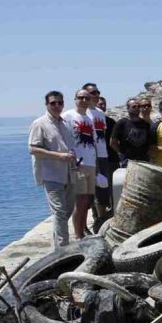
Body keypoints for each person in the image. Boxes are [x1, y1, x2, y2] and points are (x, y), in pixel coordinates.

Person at [29, 91, 77, 249]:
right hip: (51, 174)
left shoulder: (65, 124)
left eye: (60, 103)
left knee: (67, 210)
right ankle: (62, 249)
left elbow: (70, 147)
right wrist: (58, 156)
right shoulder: (39, 124)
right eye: (53, 103)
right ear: (47, 105)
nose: (57, 106)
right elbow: (33, 149)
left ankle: (56, 245)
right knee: (59, 212)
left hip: (69, 173)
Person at [62, 89, 98, 239]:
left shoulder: (89, 117)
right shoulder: (68, 116)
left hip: (91, 163)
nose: (84, 100)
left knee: (87, 200)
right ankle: (78, 235)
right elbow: (63, 139)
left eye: (87, 98)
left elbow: (94, 142)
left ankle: (83, 231)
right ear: (75, 99)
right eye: (81, 98)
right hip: (79, 164)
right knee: (80, 200)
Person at [82, 83, 111, 224]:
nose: (96, 95)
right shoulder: (81, 113)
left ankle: (101, 221)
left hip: (102, 156)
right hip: (88, 157)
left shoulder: (100, 114)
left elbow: (102, 136)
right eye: (93, 92)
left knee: (103, 191)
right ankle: (84, 225)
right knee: (86, 193)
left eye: (97, 92)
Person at [110, 99, 156, 165]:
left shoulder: (146, 125)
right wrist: (121, 153)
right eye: (134, 107)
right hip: (127, 162)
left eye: (138, 106)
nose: (137, 108)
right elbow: (113, 142)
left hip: (144, 162)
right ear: (128, 109)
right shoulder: (122, 123)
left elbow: (151, 144)